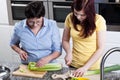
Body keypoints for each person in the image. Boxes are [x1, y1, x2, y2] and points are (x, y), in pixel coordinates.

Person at [62, 0, 106, 77]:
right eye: (76, 13)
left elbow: (100, 48)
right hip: (74, 65)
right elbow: (65, 40)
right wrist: (68, 53)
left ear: (89, 12)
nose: (78, 17)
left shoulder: (99, 20)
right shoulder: (70, 18)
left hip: (92, 67)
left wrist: (85, 67)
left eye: (82, 15)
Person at [10, 1, 62, 67]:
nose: (35, 25)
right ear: (27, 18)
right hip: (28, 65)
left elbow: (58, 50)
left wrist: (47, 59)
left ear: (42, 17)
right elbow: (13, 44)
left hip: (49, 65)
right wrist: (20, 51)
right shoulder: (19, 27)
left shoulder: (52, 26)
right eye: (31, 22)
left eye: (38, 22)